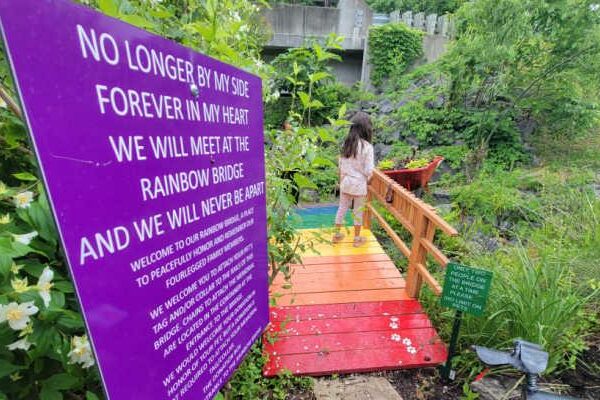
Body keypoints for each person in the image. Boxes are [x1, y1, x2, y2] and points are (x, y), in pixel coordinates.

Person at [333, 111, 374, 247]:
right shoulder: (367, 147)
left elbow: (341, 165)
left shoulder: (347, 144)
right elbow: (369, 170)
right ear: (366, 129)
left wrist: (340, 181)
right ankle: (357, 239)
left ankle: (336, 234)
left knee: (342, 208)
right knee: (357, 211)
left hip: (346, 182)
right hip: (359, 184)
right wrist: (369, 178)